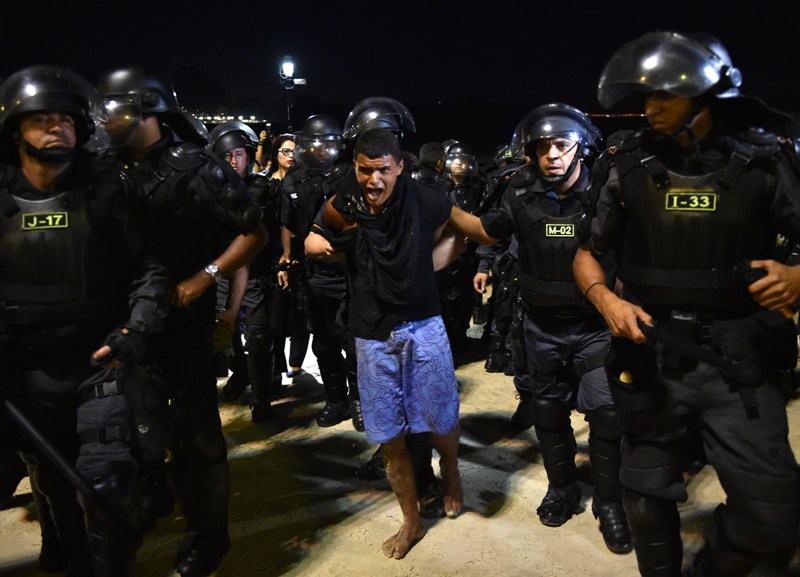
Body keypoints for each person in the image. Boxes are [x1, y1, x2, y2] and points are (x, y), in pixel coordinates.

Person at [574, 31, 800, 576]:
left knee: (776, 519)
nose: (648, 108)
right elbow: (586, 254)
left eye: (663, 98)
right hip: (651, 357)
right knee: (645, 502)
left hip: (740, 365)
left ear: (707, 97)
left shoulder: (766, 163)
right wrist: (604, 298)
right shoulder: (627, 164)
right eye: (645, 97)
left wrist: (798, 276)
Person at [97, 66, 268, 577]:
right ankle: (156, 498)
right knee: (137, 427)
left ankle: (210, 536)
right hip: (130, 322)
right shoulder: (108, 168)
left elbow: (253, 233)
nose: (107, 121)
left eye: (117, 109)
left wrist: (205, 277)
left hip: (184, 322)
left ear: (147, 110)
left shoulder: (195, 169)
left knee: (197, 436)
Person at [0, 65, 170, 576]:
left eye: (66, 119)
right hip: (25, 375)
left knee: (109, 489)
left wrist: (134, 330)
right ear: (15, 129)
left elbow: (149, 270)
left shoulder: (104, 196)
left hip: (99, 365)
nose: (58, 127)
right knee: (51, 485)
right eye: (42, 119)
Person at [447, 103, 631, 554]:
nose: (552, 155)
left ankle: (610, 502)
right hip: (542, 328)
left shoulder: (610, 189)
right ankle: (563, 489)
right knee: (548, 415)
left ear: (580, 148)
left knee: (606, 417)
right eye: (543, 148)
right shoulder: (517, 192)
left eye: (562, 146)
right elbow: (484, 231)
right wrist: (439, 206)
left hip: (595, 329)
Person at [305, 127, 463, 559]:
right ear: (355, 167)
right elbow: (312, 238)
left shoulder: (425, 197)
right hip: (372, 333)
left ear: (400, 168)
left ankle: (450, 470)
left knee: (440, 415)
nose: (373, 181)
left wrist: (430, 266)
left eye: (382, 171)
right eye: (364, 170)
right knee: (389, 436)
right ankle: (411, 522)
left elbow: (468, 230)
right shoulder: (346, 199)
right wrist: (345, 252)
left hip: (424, 324)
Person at [279, 114, 361, 429]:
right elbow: (287, 224)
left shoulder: (350, 176)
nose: (321, 150)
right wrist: (287, 257)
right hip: (314, 274)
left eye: (327, 143)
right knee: (323, 341)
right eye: (314, 144)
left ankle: (359, 402)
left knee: (354, 342)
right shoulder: (294, 180)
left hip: (351, 269)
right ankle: (336, 400)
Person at [209, 121, 285, 421]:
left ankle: (261, 396)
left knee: (257, 337)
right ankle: (240, 374)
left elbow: (275, 232)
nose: (233, 161)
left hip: (256, 274)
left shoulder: (264, 190)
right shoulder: (207, 192)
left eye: (239, 154)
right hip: (221, 274)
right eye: (227, 155)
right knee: (226, 335)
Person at [270, 134, 310, 379]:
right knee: (275, 316)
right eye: (285, 151)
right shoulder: (264, 182)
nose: (291, 155)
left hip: (301, 253)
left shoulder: (304, 183)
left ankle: (295, 363)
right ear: (276, 154)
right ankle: (276, 365)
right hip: (272, 254)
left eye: (295, 151)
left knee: (301, 312)